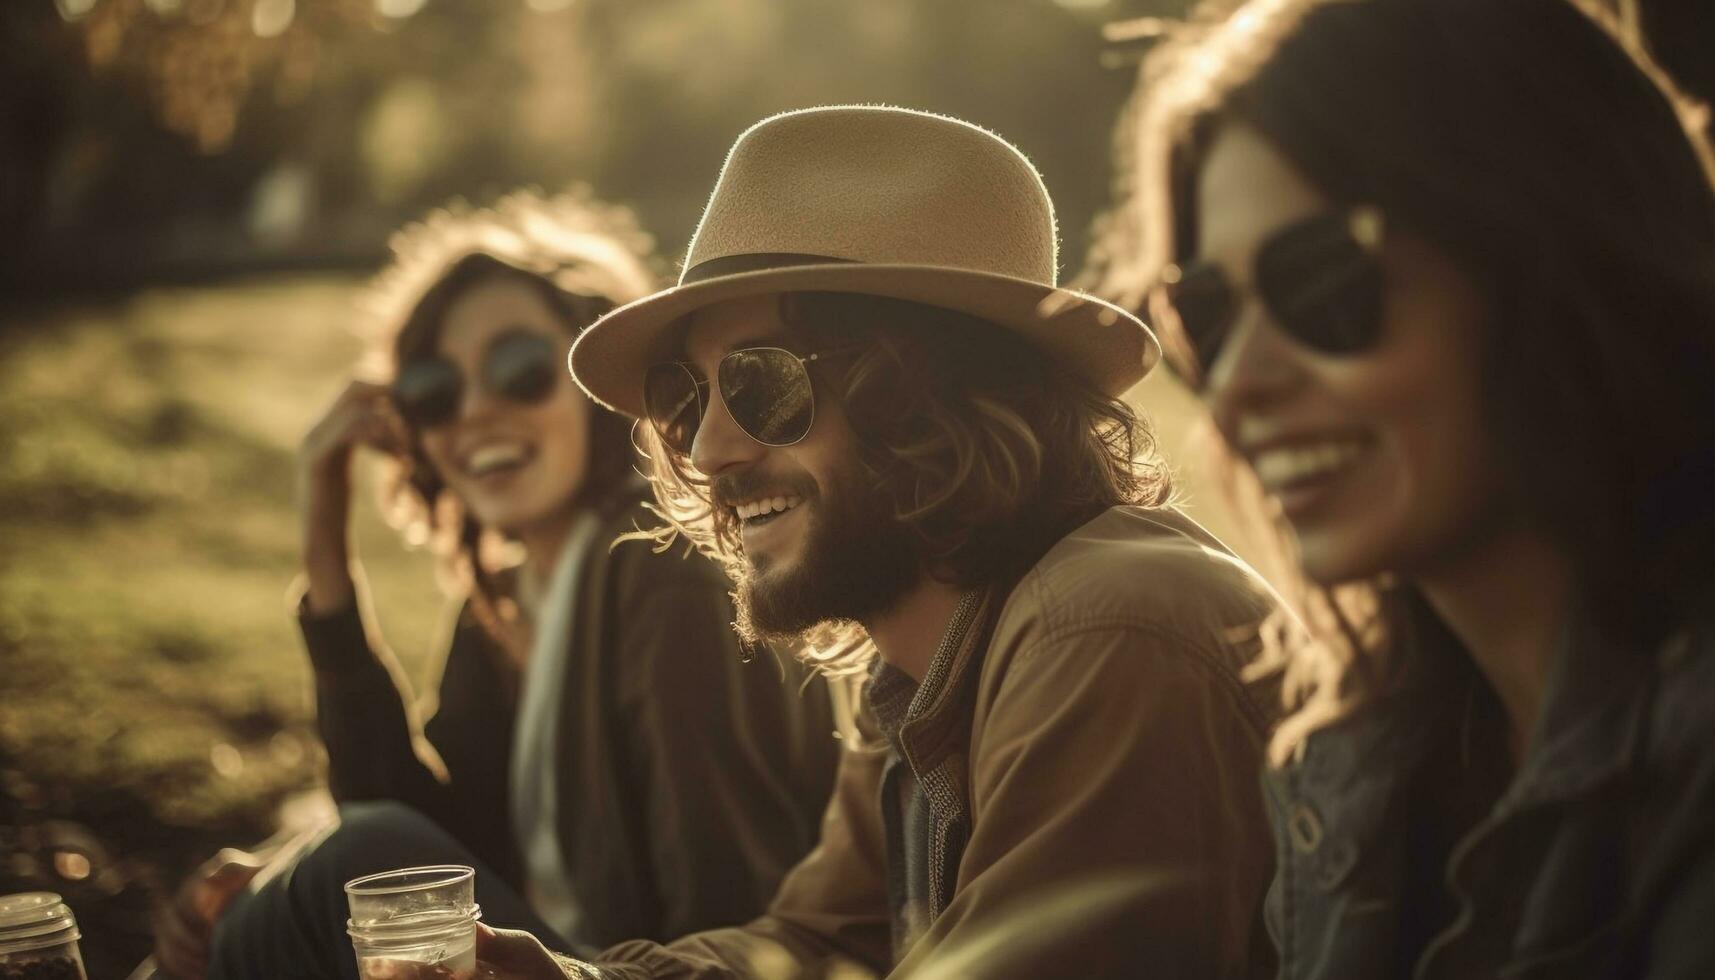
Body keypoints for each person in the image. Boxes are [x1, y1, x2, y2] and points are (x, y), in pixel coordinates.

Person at [449, 105, 1284, 980]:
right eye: (685, 398)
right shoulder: (921, 664)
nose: (707, 448)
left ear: (930, 389)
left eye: (762, 383)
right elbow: (816, 945)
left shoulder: (1106, 635)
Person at [1104, 0, 1715, 976]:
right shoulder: (1343, 764)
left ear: (1548, 253)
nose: (1237, 380)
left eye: (1322, 281)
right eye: (1205, 312)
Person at [150, 189, 839, 979]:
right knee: (306, 877)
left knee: (347, 860)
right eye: (434, 392)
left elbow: (727, 903)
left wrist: (320, 870)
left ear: (602, 385)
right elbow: (426, 837)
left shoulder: (664, 573)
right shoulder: (510, 600)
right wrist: (327, 561)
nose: (475, 411)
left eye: (519, 369)